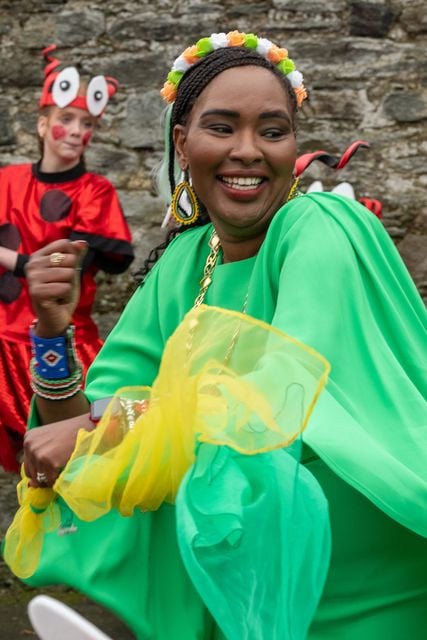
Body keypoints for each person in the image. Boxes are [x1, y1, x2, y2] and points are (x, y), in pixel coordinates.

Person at [4, 31, 427, 640]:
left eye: (273, 131)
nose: (249, 151)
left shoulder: (323, 226)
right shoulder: (185, 263)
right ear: (183, 142)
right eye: (222, 127)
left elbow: (278, 395)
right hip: (247, 583)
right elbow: (83, 439)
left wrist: (108, 424)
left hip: (367, 581)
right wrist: (52, 331)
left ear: (293, 146)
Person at [0, 45, 134, 472]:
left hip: (58, 345)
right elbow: (41, 266)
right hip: (3, 344)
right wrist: (25, 265)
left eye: (87, 123)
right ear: (42, 125)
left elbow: (68, 264)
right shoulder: (7, 181)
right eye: (66, 120)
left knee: (70, 462)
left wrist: (18, 262)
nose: (77, 131)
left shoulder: (94, 191)